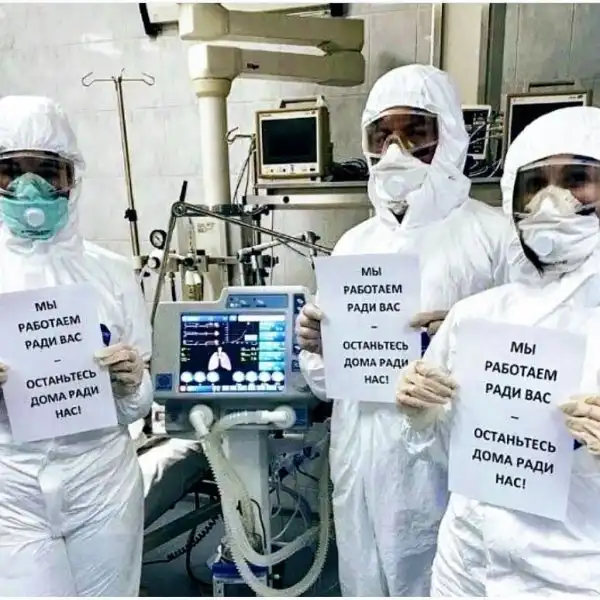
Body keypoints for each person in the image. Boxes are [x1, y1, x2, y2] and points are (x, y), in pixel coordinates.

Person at [295, 64, 512, 597]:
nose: (395, 150)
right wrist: (318, 347)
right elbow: (327, 383)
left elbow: (526, 369)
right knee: (363, 578)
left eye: (415, 132)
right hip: (358, 455)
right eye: (381, 135)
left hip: (444, 461)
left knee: (441, 579)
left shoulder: (494, 236)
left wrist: (461, 340)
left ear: (449, 134)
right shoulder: (354, 244)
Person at [395, 105, 600, 596]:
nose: (553, 200)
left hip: (571, 576)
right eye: (536, 184)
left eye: (577, 179)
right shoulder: (477, 315)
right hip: (465, 563)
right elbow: (446, 451)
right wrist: (421, 413)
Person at [0, 96, 152, 595]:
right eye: (9, 171)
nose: (29, 188)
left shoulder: (112, 274)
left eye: (47, 171)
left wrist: (131, 383)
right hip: (10, 488)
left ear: (71, 178)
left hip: (101, 480)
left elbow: (137, 405)